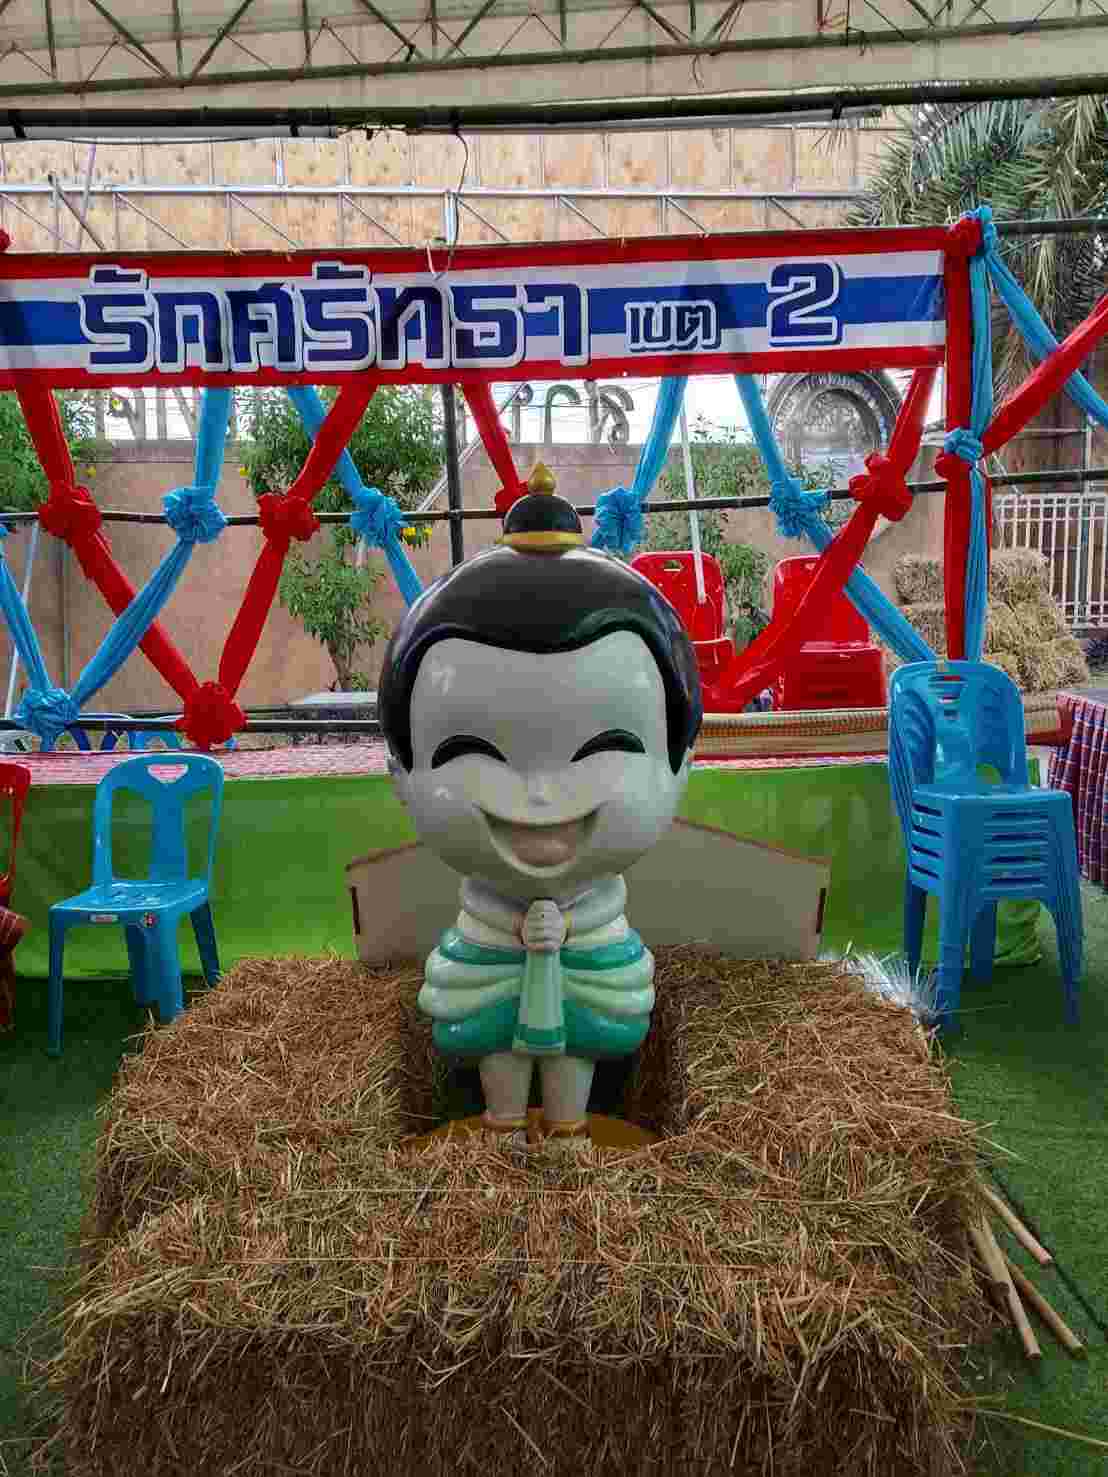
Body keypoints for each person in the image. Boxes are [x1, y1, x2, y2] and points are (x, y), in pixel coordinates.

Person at [378, 465, 702, 1151]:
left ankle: (568, 1128)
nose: (540, 794)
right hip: (488, 957)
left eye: (602, 748)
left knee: (577, 1045)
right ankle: (502, 1125)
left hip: (589, 964)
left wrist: (568, 932)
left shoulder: (599, 915)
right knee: (494, 1038)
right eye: (474, 750)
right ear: (399, 773)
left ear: (682, 763)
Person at [0, 907, 29, 1032]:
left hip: (7, 929)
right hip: (13, 923)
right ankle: (7, 1020)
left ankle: (5, 1021)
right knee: (5, 970)